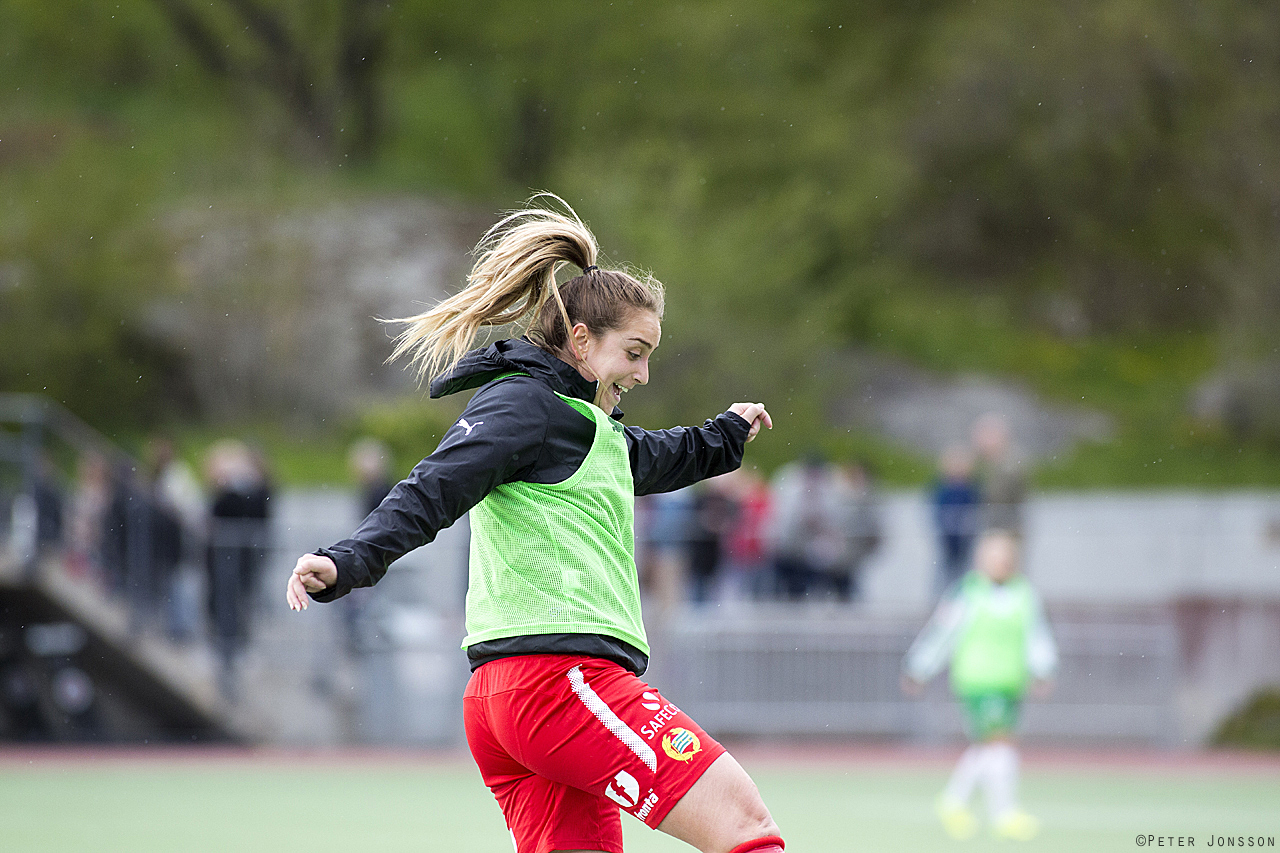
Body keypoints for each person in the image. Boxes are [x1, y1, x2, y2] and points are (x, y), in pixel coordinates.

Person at [285, 196, 784, 853]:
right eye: (634, 352)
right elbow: (434, 487)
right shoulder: (527, 406)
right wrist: (348, 559)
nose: (643, 373)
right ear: (581, 339)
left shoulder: (586, 428)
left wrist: (726, 434)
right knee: (744, 827)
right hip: (558, 682)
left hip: (514, 696)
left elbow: (655, 455)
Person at [901, 529, 1057, 841]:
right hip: (978, 680)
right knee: (1000, 743)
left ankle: (954, 801)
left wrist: (1043, 668)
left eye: (1006, 556)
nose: (1001, 562)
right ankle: (1004, 813)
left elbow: (1036, 634)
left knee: (989, 747)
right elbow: (942, 633)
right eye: (994, 556)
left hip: (1010, 682)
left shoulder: (1024, 593)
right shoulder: (967, 592)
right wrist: (919, 667)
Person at [930, 444, 981, 595]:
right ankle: (942, 598)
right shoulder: (941, 488)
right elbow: (936, 512)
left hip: (966, 538)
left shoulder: (972, 488)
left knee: (966, 570)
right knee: (944, 571)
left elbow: (976, 510)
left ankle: (965, 597)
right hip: (946, 538)